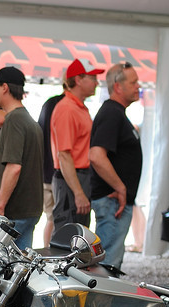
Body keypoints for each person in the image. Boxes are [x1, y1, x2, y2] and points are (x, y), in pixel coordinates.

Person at [88, 62, 142, 270]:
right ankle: (101, 303)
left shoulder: (118, 113)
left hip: (116, 203)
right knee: (107, 266)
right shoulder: (112, 112)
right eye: (134, 82)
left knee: (110, 263)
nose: (139, 86)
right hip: (112, 202)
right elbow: (96, 155)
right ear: (118, 86)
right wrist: (120, 188)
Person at [0, 66, 43, 249]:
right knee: (17, 271)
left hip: (12, 213)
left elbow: (14, 166)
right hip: (28, 210)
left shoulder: (15, 120)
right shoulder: (29, 120)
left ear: (4, 87)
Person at [50, 58, 105, 231]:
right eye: (92, 78)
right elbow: (64, 155)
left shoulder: (79, 107)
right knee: (67, 236)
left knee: (78, 235)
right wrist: (78, 192)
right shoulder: (67, 108)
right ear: (78, 80)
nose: (97, 82)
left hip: (78, 177)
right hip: (71, 179)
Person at [37, 90, 65, 244]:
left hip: (47, 173)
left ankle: (47, 254)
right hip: (57, 174)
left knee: (51, 219)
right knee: (54, 219)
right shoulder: (64, 105)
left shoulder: (49, 104)